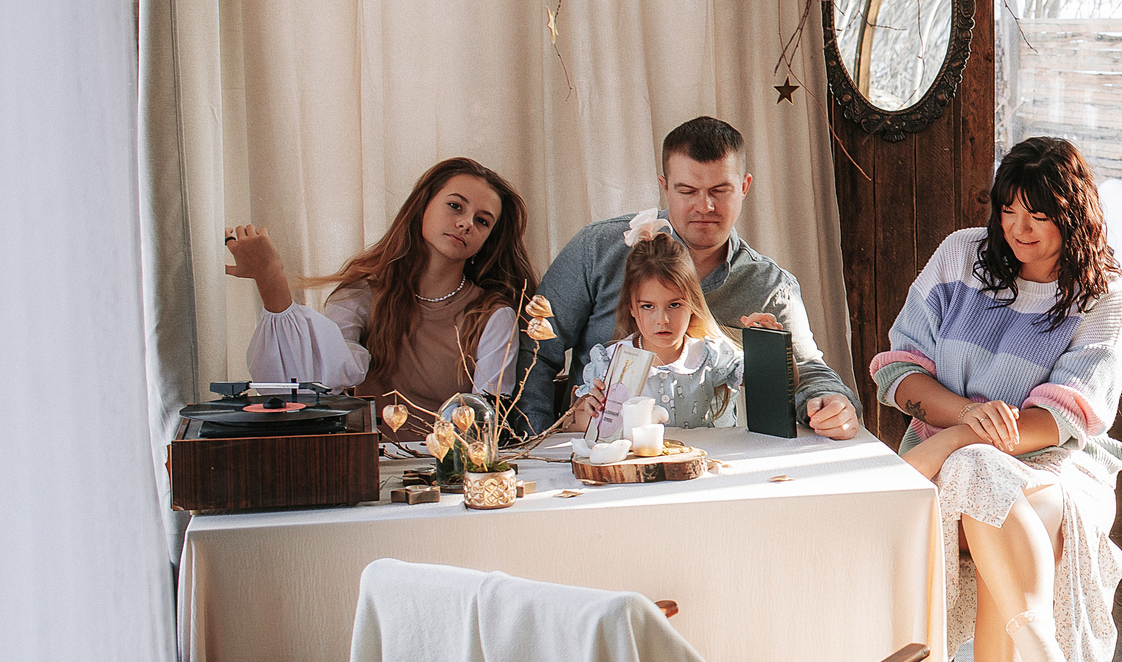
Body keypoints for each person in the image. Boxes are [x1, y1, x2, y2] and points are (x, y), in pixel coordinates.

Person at [872, 136, 1122, 662]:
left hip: (1057, 467)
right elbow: (898, 369)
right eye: (1008, 209)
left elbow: (1068, 416)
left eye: (1038, 215)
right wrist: (964, 423)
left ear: (1073, 217)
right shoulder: (961, 256)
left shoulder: (1103, 294)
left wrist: (968, 439)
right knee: (976, 483)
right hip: (955, 456)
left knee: (978, 479)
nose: (1018, 228)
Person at [521, 116, 861, 437]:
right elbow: (535, 351)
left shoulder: (770, 285)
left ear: (744, 187)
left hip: (713, 460)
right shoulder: (598, 249)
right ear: (665, 187)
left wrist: (831, 403)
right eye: (687, 191)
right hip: (607, 459)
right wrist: (535, 442)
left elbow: (806, 369)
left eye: (720, 190)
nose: (704, 206)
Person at [225, 157, 538, 438]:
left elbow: (485, 422)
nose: (466, 223)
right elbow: (313, 384)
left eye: (482, 221)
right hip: (368, 464)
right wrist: (271, 282)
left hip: (449, 469)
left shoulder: (493, 315)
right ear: (422, 206)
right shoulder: (361, 295)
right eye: (456, 206)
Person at [559, 224, 745, 434]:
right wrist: (592, 412)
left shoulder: (710, 357)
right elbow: (570, 426)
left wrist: (768, 339)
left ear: (692, 304)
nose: (662, 320)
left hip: (700, 455)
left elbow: (768, 380)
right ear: (631, 308)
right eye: (648, 306)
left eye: (674, 305)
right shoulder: (611, 362)